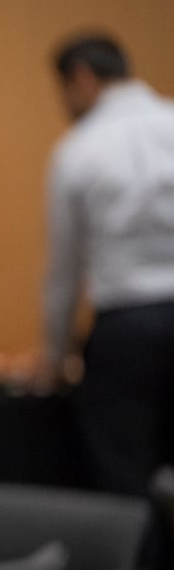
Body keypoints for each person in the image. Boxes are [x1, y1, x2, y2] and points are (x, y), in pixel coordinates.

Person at [33, 33, 174, 496]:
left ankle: (135, 569)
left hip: (126, 329)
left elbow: (65, 270)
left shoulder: (79, 149)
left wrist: (53, 357)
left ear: (82, 78)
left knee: (122, 473)